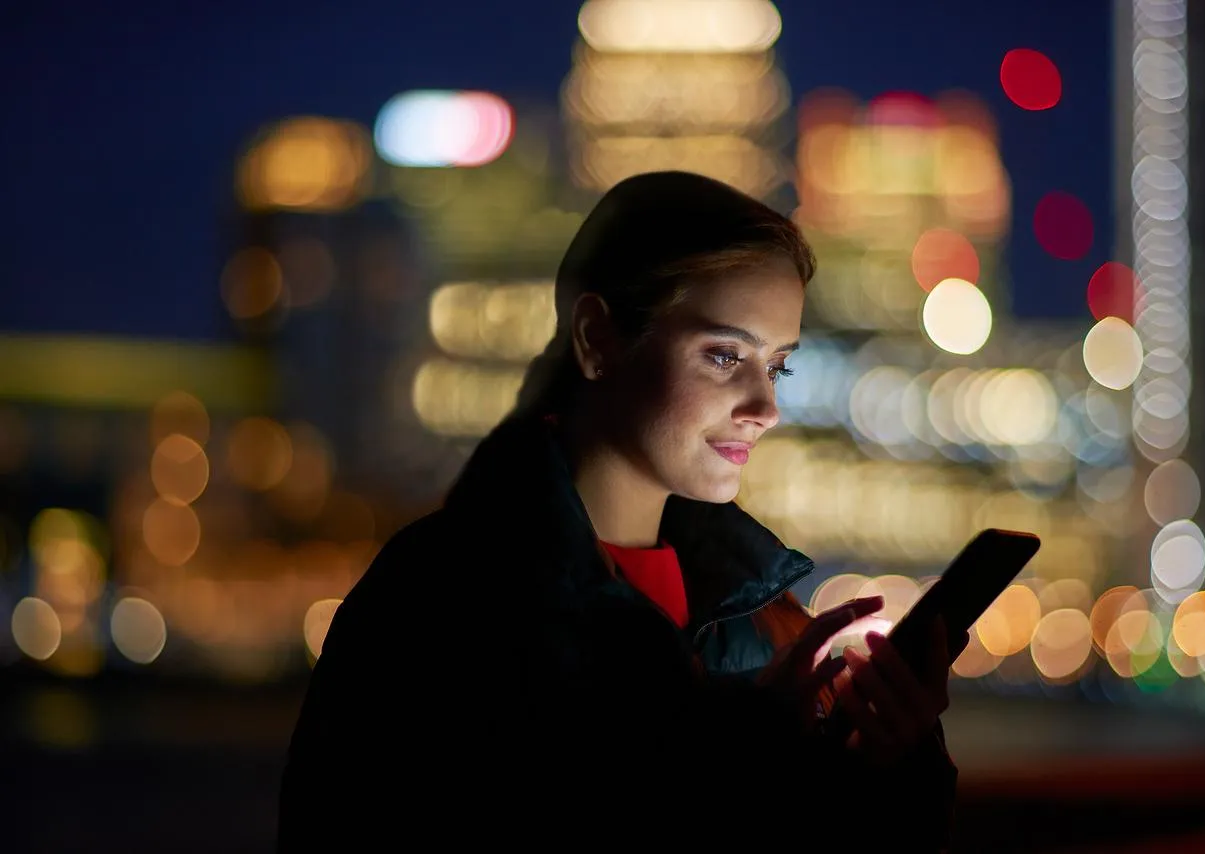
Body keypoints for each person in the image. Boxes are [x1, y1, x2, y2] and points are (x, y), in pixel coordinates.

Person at [278, 171, 959, 849]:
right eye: (724, 356)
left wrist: (895, 761)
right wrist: (740, 758)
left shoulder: (764, 620)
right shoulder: (446, 600)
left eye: (776, 365)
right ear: (598, 339)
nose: (765, 408)